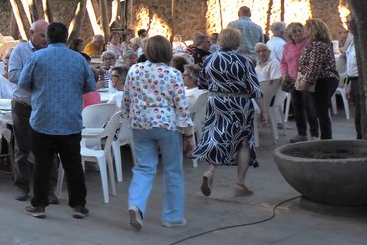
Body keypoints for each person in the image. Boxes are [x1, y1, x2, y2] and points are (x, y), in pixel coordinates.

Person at [18, 21, 97, 219]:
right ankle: (79, 206)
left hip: (43, 118)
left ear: (48, 37)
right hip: (70, 120)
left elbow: (23, 84)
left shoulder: (37, 57)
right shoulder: (78, 59)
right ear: (66, 37)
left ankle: (39, 205)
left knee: (42, 164)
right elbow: (90, 86)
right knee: (73, 164)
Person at [125, 35, 191, 230]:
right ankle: (172, 216)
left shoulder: (134, 70)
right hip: (166, 125)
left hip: (140, 124)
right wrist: (188, 134)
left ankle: (136, 204)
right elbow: (182, 106)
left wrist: (129, 118)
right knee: (173, 170)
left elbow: (126, 99)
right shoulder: (173, 74)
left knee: (144, 168)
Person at [195, 27, 268, 197]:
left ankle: (210, 171)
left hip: (216, 102)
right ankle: (239, 184)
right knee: (243, 142)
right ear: (237, 41)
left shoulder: (209, 59)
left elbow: (202, 84)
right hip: (239, 103)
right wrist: (264, 111)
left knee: (217, 136)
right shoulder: (244, 61)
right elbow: (255, 89)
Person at [6, 19, 49, 202]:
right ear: (31, 34)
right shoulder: (19, 51)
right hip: (23, 105)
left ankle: (47, 189)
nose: (45, 39)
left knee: (47, 148)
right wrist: (36, 81)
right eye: (42, 35)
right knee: (23, 148)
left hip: (44, 106)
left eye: (47, 35)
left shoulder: (51, 52)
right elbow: (13, 74)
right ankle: (22, 186)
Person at [295, 17, 339, 141]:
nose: (304, 32)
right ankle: (326, 138)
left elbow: (314, 67)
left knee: (321, 112)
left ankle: (326, 140)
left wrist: (306, 82)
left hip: (322, 81)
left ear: (312, 30)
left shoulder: (317, 45)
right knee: (322, 111)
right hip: (328, 80)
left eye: (306, 29)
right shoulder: (325, 44)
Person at [280, 21, 309, 140]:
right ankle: (302, 134)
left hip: (306, 78)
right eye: (294, 31)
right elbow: (283, 62)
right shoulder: (287, 46)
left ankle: (314, 133)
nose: (297, 33)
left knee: (309, 107)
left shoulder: (309, 43)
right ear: (290, 34)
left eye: (299, 30)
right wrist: (284, 74)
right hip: (292, 80)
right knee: (298, 108)